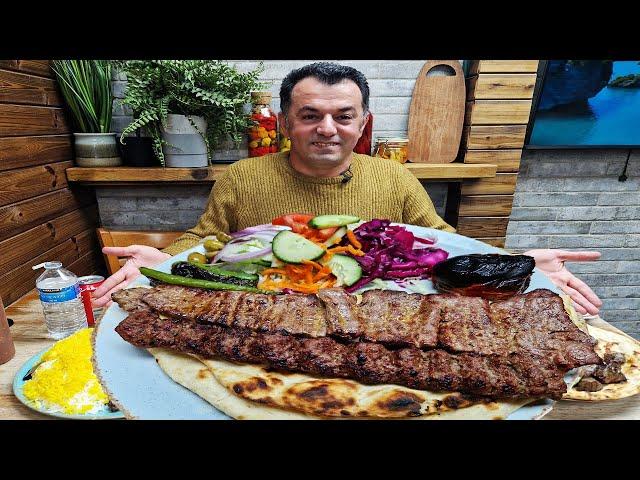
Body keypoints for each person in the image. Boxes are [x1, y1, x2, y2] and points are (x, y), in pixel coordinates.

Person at [92, 62, 603, 315]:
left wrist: (517, 262)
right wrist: (164, 259)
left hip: (375, 317)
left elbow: (445, 243)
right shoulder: (244, 177)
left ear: (363, 123)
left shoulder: (393, 177)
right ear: (286, 122)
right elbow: (206, 238)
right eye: (309, 115)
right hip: (267, 314)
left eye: (343, 115)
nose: (327, 129)